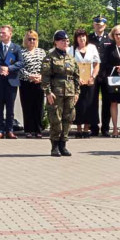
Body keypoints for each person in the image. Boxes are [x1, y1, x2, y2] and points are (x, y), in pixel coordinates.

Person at [41, 29, 80, 157]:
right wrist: (48, 92)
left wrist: (76, 92)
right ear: (56, 42)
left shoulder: (70, 58)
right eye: (62, 41)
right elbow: (45, 77)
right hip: (55, 93)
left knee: (68, 119)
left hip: (69, 92)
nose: (65, 43)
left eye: (67, 41)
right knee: (55, 119)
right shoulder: (50, 57)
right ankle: (55, 146)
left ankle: (63, 144)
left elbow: (76, 76)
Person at [0, 25, 22, 140]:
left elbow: (21, 63)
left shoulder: (16, 48)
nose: (1, 35)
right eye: (0, 33)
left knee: (10, 108)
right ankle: (0, 130)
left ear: (10, 34)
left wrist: (9, 68)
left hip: (11, 82)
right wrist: (0, 67)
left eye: (4, 33)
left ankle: (10, 130)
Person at [69, 29, 100, 138]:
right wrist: (76, 78)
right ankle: (78, 129)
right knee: (78, 105)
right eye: (79, 37)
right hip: (77, 82)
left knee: (90, 105)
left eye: (83, 36)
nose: (81, 39)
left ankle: (86, 129)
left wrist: (93, 77)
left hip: (90, 82)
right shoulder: (71, 50)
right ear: (76, 39)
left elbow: (97, 64)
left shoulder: (92, 48)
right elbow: (69, 66)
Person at [18, 29, 46, 138]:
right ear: (26, 40)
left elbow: (46, 66)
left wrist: (41, 76)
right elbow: (20, 67)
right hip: (26, 82)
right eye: (29, 39)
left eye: (34, 39)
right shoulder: (21, 52)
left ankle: (38, 130)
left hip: (39, 82)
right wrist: (29, 76)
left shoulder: (42, 52)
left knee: (39, 107)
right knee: (27, 106)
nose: (32, 41)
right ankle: (28, 130)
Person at [88, 16, 113, 137]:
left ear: (105, 26)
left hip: (106, 73)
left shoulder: (110, 38)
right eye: (97, 24)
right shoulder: (89, 38)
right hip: (92, 73)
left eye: (101, 25)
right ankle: (94, 127)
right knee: (92, 101)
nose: (99, 27)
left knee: (107, 102)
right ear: (94, 25)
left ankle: (105, 127)